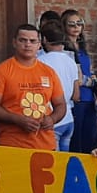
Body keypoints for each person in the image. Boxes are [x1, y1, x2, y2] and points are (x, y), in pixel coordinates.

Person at [0, 24, 67, 151]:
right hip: (12, 145)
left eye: (32, 41)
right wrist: (16, 119)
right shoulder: (0, 72)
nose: (27, 44)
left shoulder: (49, 72)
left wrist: (52, 119)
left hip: (46, 145)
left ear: (39, 44)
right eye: (22, 40)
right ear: (14, 42)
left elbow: (61, 104)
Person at [60, 10, 97, 153]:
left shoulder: (82, 47)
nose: (76, 27)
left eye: (79, 23)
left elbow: (90, 73)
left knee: (89, 139)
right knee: (76, 141)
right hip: (76, 99)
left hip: (89, 99)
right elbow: (77, 79)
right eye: (71, 24)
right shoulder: (64, 49)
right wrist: (92, 83)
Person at [38, 23, 82, 153]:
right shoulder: (71, 61)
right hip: (68, 119)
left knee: (54, 164)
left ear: (44, 39)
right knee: (64, 162)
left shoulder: (40, 62)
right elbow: (76, 96)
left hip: (52, 119)